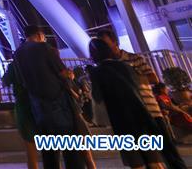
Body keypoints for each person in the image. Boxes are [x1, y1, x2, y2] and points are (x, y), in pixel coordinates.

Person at [99, 31, 185, 169]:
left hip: (151, 111)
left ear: (115, 42)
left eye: (105, 43)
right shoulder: (107, 66)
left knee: (168, 151)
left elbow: (153, 78)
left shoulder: (134, 58)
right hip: (132, 116)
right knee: (150, 156)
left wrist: (129, 78)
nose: (104, 47)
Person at [11, 25, 83, 169]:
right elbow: (62, 72)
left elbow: (21, 79)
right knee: (70, 148)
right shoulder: (44, 48)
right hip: (58, 103)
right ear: (39, 35)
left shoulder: (17, 54)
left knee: (49, 150)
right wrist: (70, 75)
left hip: (38, 106)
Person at [88, 37, 165, 169]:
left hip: (120, 119)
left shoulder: (97, 71)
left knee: (136, 161)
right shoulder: (126, 66)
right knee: (154, 159)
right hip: (140, 114)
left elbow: (97, 97)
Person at [4, 49, 40, 169]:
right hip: (42, 106)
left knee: (31, 152)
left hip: (24, 108)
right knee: (52, 152)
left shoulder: (14, 66)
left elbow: (5, 81)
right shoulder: (37, 64)